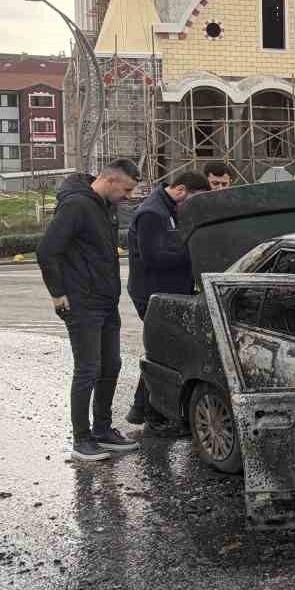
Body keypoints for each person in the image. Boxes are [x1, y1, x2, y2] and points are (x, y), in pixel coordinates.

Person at [37, 158, 142, 463]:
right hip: (82, 303)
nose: (129, 197)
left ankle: (103, 430)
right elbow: (46, 251)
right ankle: (82, 439)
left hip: (106, 301)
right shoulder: (77, 206)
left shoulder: (104, 207)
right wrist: (58, 294)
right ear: (109, 181)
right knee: (88, 370)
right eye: (126, 190)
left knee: (112, 365)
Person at [125, 168, 211, 427]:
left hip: (168, 291)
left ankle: (143, 410)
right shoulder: (152, 213)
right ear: (182, 190)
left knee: (165, 349)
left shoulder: (170, 209)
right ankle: (151, 414)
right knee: (163, 350)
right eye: (194, 199)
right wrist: (193, 255)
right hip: (152, 294)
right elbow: (152, 258)